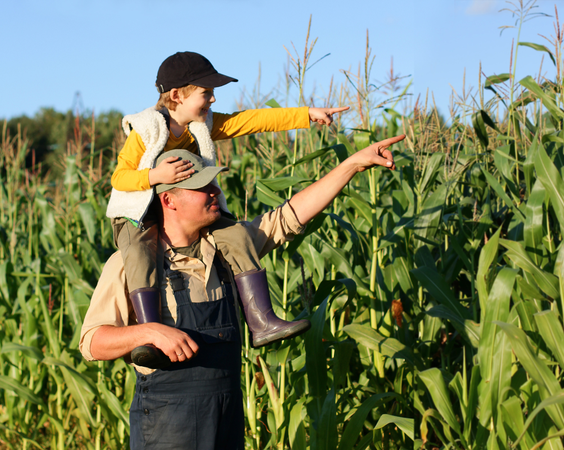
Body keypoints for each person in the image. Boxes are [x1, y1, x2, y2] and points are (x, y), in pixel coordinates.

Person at [79, 134, 405, 449]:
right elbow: (92, 342)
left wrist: (352, 164)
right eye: (202, 187)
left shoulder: (229, 248)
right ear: (168, 200)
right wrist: (148, 332)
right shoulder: (130, 264)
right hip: (167, 424)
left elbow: (289, 216)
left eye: (214, 184)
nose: (215, 192)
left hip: (226, 418)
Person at [105, 51, 348, 368]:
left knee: (235, 234)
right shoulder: (147, 129)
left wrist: (306, 114)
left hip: (186, 210)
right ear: (177, 95)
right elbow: (119, 177)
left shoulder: (200, 124)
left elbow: (251, 121)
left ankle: (261, 322)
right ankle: (152, 335)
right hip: (138, 213)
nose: (213, 99)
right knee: (139, 255)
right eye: (206, 92)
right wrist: (155, 177)